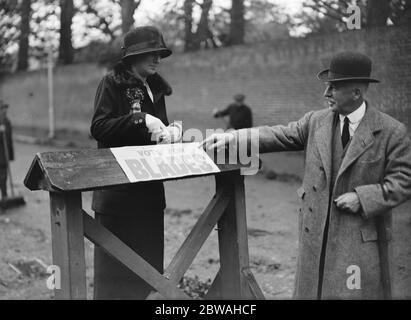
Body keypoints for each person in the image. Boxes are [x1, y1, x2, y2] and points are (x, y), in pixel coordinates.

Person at [202, 52, 411, 299]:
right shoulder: (315, 121)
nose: (326, 94)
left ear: (356, 93)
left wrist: (363, 198)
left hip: (357, 239)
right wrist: (233, 137)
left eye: (333, 88)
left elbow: (403, 180)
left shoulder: (390, 131)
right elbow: (279, 134)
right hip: (314, 236)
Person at [90, 26, 181, 300]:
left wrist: (171, 130)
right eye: (150, 53)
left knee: (148, 277)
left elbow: (156, 133)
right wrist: (139, 119)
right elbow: (99, 127)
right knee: (115, 282)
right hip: (118, 198)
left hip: (150, 195)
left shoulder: (155, 89)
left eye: (159, 54)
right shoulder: (112, 82)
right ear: (133, 57)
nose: (157, 59)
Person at [0, 100, 14, 201]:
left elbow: (9, 140)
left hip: (4, 155)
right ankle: (4, 195)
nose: (5, 110)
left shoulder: (7, 122)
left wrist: (11, 155)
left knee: (4, 176)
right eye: (2, 108)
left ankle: (4, 196)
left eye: (5, 108)